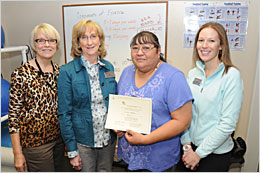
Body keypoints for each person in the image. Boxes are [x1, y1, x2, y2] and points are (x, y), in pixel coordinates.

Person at [114, 31, 193, 172]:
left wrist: (145, 139)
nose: (139, 52)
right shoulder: (127, 72)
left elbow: (183, 121)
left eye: (146, 48)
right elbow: (122, 106)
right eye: (135, 48)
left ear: (158, 51)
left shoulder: (174, 77)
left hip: (159, 160)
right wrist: (118, 125)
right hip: (128, 157)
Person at [177, 22, 244, 172]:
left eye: (211, 41)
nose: (204, 45)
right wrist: (187, 146)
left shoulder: (231, 76)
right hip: (189, 149)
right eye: (201, 40)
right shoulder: (193, 73)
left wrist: (198, 154)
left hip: (215, 154)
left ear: (221, 46)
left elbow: (227, 124)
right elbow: (185, 112)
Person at [8, 23, 72, 172]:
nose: (47, 45)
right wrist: (17, 154)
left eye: (51, 40)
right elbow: (13, 118)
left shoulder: (60, 71)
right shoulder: (21, 74)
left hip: (59, 141)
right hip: (35, 146)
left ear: (57, 44)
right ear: (34, 44)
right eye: (41, 40)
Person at [57, 19, 117, 172]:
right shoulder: (67, 71)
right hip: (83, 142)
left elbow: (113, 102)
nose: (89, 42)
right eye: (84, 37)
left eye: (93, 36)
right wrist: (72, 151)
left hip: (107, 140)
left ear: (100, 40)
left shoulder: (108, 67)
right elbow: (64, 114)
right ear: (78, 42)